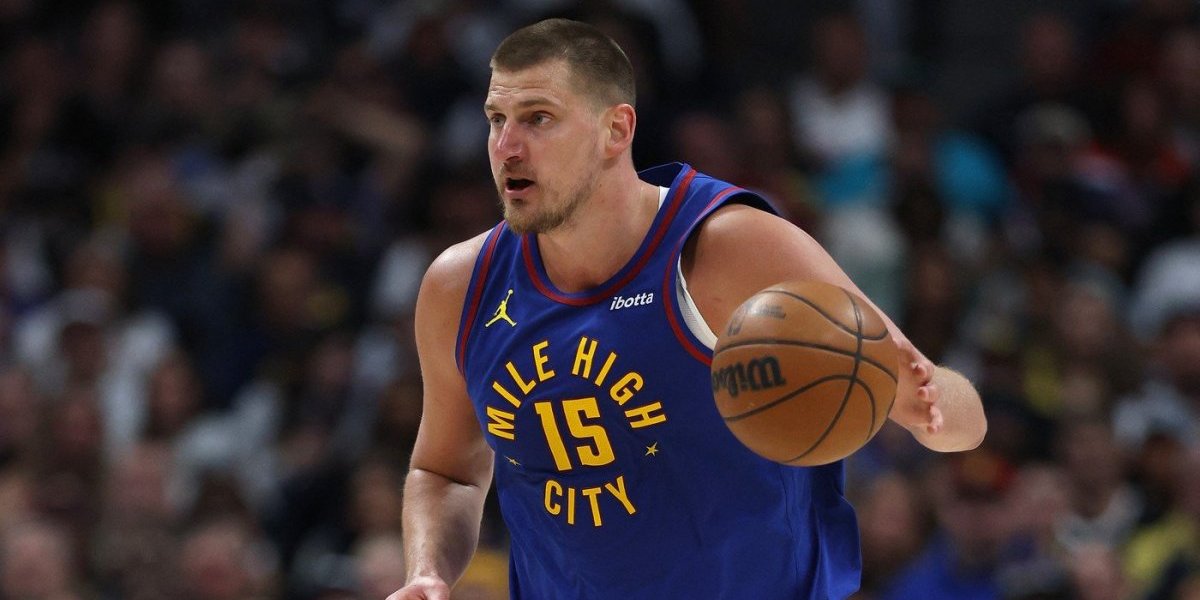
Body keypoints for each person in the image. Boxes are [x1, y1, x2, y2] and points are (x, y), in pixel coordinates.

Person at [389, 18, 987, 600]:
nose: (506, 147)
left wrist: (925, 402)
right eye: (496, 120)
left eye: (537, 118)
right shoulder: (460, 287)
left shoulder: (728, 247)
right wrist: (428, 572)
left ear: (616, 130)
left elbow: (966, 421)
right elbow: (445, 472)